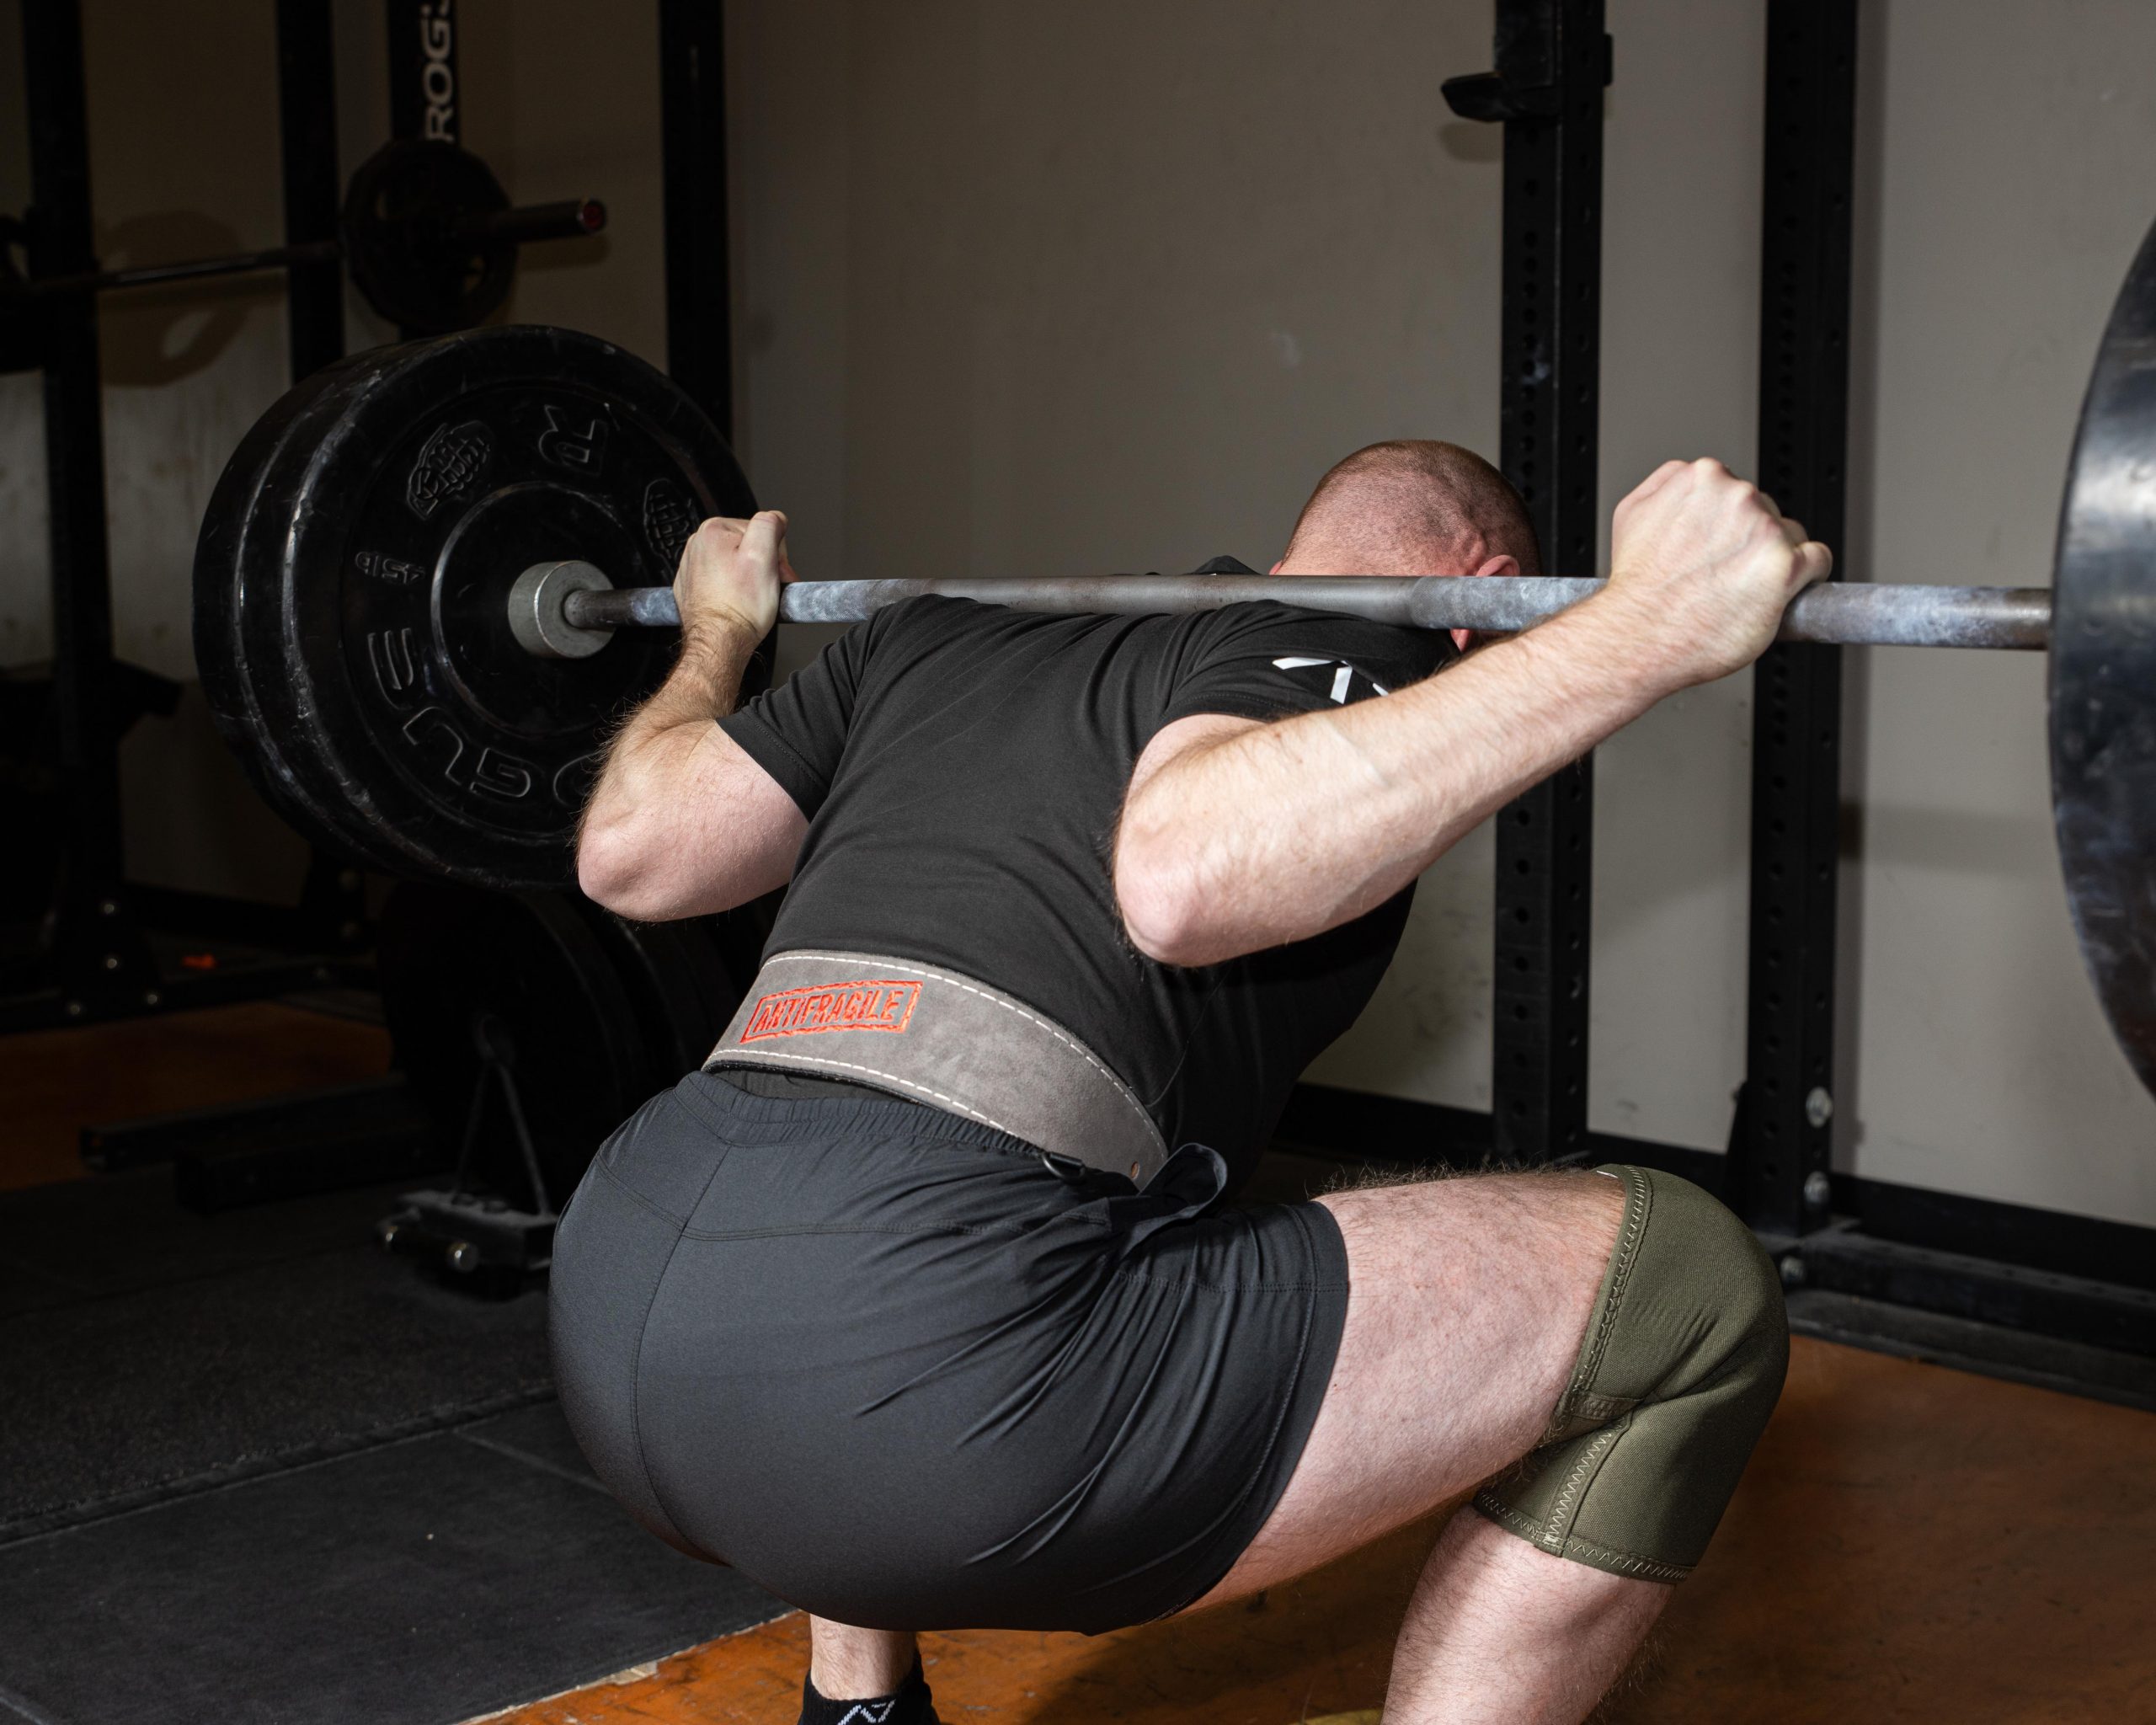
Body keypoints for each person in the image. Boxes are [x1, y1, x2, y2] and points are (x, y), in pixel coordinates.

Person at [556, 442, 1826, 1725]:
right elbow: (1183, 874)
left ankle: (860, 1710)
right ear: (1479, 593)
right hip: (918, 1404)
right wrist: (1645, 625)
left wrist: (718, 633)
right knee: (1693, 1293)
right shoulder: (1360, 629)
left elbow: (631, 851)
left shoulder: (931, 637)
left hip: (617, 1315)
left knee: (929, 1150)